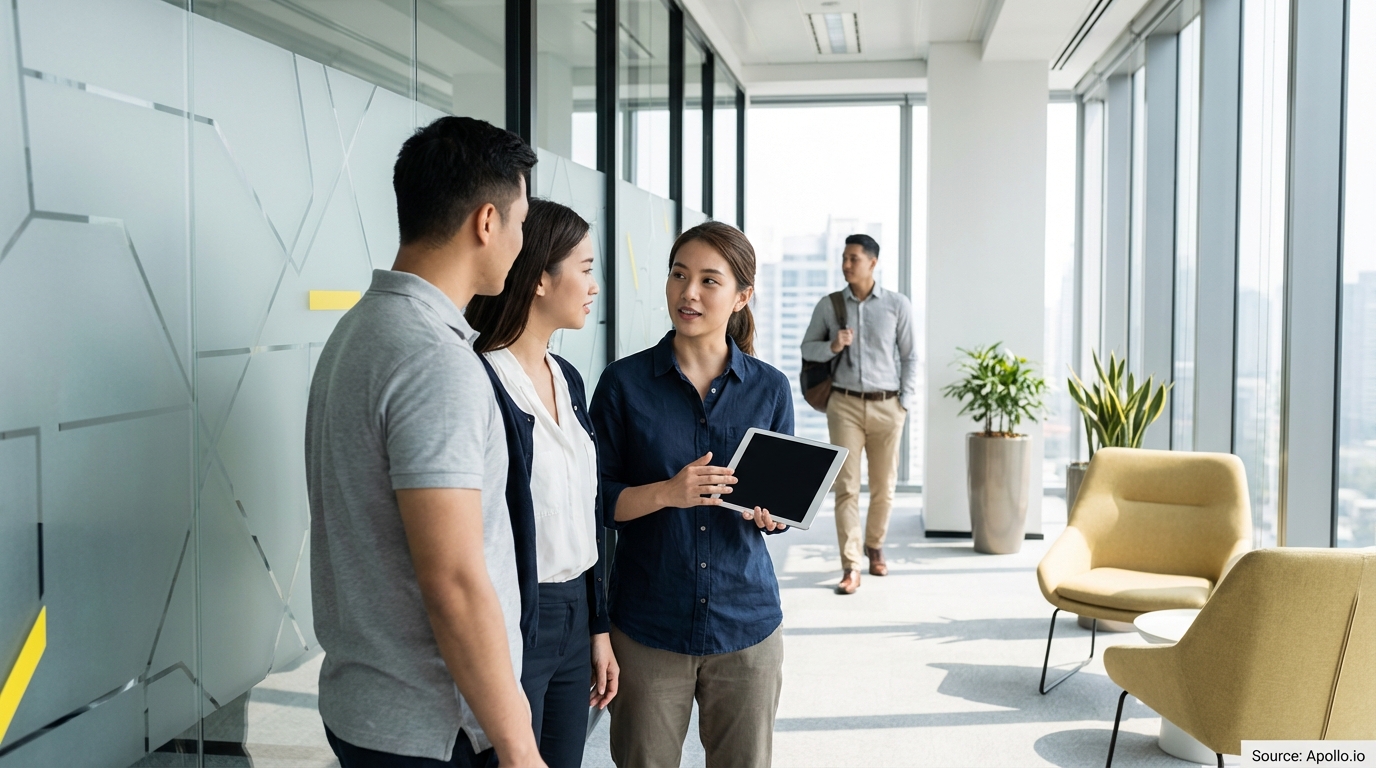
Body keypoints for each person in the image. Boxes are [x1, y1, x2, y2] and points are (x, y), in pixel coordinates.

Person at [305, 116, 546, 768]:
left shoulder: (361, 330)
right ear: (487, 222)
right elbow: (455, 581)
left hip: (368, 710)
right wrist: (521, 747)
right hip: (434, 732)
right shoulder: (433, 360)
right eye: (522, 223)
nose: (524, 243)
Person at [590, 221, 793, 768]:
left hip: (745, 622)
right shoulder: (623, 384)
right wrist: (666, 493)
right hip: (648, 625)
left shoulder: (771, 388)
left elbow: (776, 506)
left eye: (709, 280)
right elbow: (594, 502)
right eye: (679, 275)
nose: (689, 293)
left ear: (742, 296)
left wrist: (772, 516)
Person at [464, 199, 618, 768]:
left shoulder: (568, 377)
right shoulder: (481, 377)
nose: (593, 286)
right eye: (584, 268)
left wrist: (597, 629)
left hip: (576, 611)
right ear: (538, 280)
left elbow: (586, 514)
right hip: (518, 617)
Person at [800, 233, 918, 595]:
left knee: (884, 486)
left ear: (872, 262)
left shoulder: (897, 305)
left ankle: (875, 546)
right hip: (845, 405)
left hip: (888, 406)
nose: (846, 265)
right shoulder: (830, 305)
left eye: (853, 258)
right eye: (843, 258)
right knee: (846, 488)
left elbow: (911, 356)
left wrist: (904, 403)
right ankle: (851, 565)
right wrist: (832, 345)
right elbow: (808, 348)